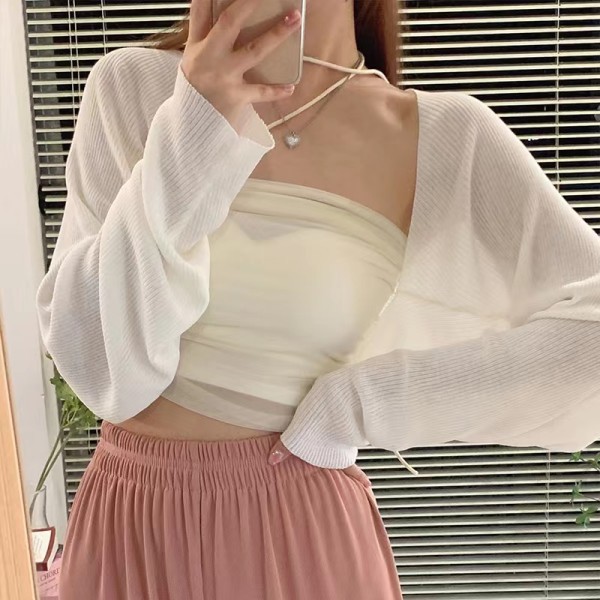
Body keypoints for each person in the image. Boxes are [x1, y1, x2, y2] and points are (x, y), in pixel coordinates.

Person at [35, 0, 600, 597]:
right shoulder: (132, 86)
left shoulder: (437, 135)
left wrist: (364, 402)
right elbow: (103, 372)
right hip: (130, 526)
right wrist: (196, 122)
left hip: (300, 529)